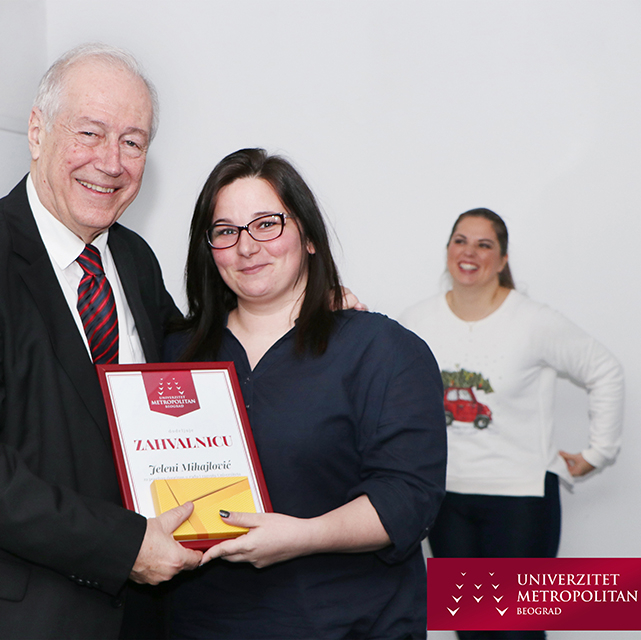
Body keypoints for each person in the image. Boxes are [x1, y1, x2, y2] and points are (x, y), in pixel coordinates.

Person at [0, 43, 205, 639]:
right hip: (5, 618)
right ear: (37, 132)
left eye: (132, 142)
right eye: (90, 133)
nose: (111, 162)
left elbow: (189, 356)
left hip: (126, 614)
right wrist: (124, 546)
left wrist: (299, 306)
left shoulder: (132, 258)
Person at [163, 148, 447, 639]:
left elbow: (408, 498)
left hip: (346, 623)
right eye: (226, 231)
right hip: (200, 624)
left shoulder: (382, 350)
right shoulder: (173, 352)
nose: (247, 247)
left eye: (266, 224)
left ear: (309, 237)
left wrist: (304, 535)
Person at [399, 208, 625, 640]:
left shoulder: (533, 320)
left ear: (502, 260)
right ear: (447, 250)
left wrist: (599, 453)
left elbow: (604, 369)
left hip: (521, 500)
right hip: (446, 500)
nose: (469, 252)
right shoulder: (416, 322)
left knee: (518, 633)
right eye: (461, 240)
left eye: (484, 245)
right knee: (472, 631)